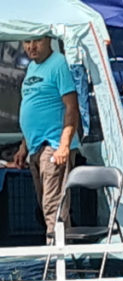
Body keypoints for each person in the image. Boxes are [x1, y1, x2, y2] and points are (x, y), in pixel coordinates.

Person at [10, 36, 80, 237]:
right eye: (27, 41)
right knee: (45, 205)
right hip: (35, 146)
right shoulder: (32, 67)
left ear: (49, 40)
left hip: (54, 145)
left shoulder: (58, 64)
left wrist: (64, 145)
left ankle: (57, 258)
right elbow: (32, 108)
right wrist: (24, 146)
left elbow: (71, 107)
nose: (31, 46)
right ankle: (63, 254)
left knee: (53, 205)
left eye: (37, 41)